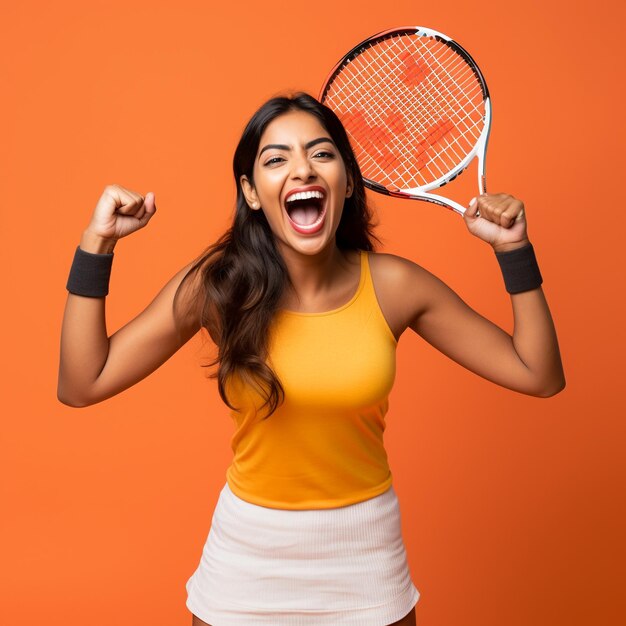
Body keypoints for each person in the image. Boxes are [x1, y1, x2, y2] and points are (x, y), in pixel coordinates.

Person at [58, 91, 565, 626]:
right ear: (251, 193)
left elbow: (538, 373)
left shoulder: (395, 285)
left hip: (366, 565)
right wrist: (98, 244)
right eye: (277, 160)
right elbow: (82, 382)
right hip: (245, 565)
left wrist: (514, 252)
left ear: (347, 181)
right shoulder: (219, 288)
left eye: (321, 154)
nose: (302, 169)